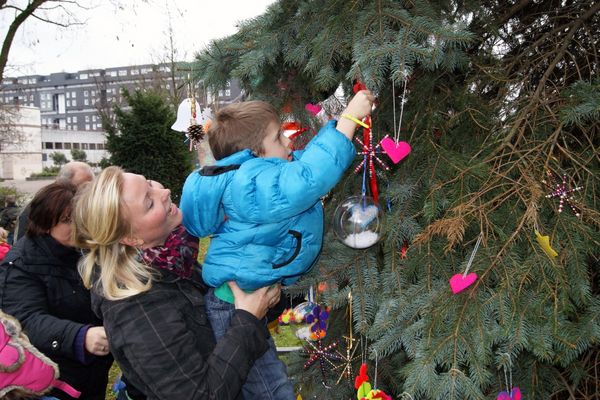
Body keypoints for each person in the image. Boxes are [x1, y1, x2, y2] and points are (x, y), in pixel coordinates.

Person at [180, 90, 374, 399]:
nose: (289, 143)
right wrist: (350, 119)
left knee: (260, 387)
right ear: (256, 154)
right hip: (236, 306)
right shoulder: (251, 183)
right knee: (272, 392)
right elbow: (309, 178)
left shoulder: (251, 176)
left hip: (237, 301)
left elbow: (301, 164)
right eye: (278, 138)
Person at [72, 166, 282, 400]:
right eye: (149, 203)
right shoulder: (136, 310)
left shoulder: (172, 257)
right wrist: (248, 319)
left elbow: (219, 317)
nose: (164, 192)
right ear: (132, 238)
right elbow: (200, 395)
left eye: (149, 182)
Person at [0, 181, 112, 399]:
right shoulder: (20, 264)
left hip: (91, 373)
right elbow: (25, 320)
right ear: (45, 222)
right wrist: (79, 336)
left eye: (81, 218)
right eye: (67, 220)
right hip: (51, 381)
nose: (78, 226)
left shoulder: (85, 250)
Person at [13, 161, 94, 244]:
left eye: (90, 187)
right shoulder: (35, 208)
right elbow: (20, 244)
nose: (86, 192)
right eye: (81, 187)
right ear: (61, 183)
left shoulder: (88, 207)